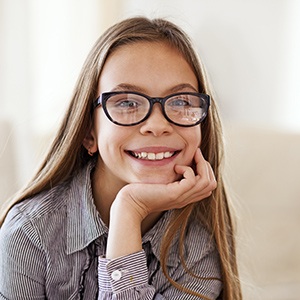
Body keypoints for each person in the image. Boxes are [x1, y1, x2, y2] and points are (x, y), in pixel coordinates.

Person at [0, 17, 242, 299]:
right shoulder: (29, 234)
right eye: (127, 102)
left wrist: (129, 210)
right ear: (88, 132)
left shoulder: (198, 244)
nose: (157, 124)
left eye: (181, 102)